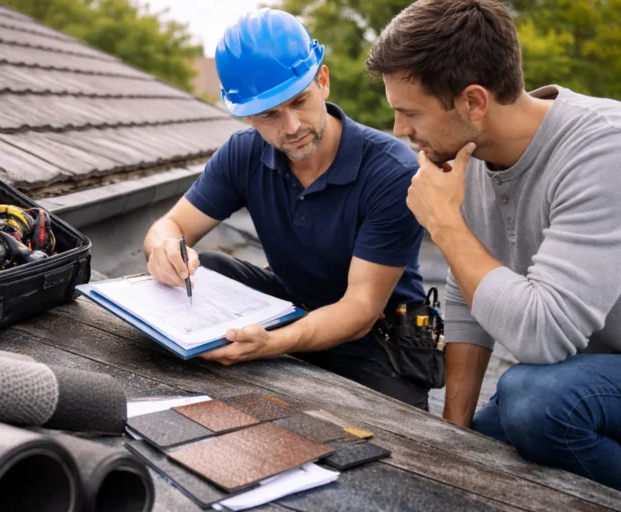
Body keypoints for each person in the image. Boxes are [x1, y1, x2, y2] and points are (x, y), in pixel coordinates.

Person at [366, 0, 621, 489]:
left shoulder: (601, 152)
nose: (400, 130)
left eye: (409, 112)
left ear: (474, 102)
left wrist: (444, 224)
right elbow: (467, 289)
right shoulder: (470, 157)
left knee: (534, 402)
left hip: (569, 373)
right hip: (591, 372)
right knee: (487, 440)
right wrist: (455, 438)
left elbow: (542, 335)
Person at [143, 8, 430, 408]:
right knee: (205, 268)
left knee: (400, 440)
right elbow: (170, 225)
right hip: (288, 309)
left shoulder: (391, 171)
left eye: (299, 101)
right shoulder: (242, 154)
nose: (292, 126)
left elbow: (361, 309)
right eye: (270, 115)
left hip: (375, 340)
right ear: (245, 115)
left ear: (323, 82)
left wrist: (272, 344)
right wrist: (163, 250)